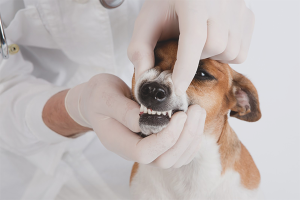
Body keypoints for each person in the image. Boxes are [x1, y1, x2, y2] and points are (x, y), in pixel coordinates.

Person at [0, 0, 254, 199]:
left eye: (200, 74)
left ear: (240, 102)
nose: (159, 86)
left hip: (113, 169)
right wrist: (74, 108)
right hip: (14, 165)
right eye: (155, 60)